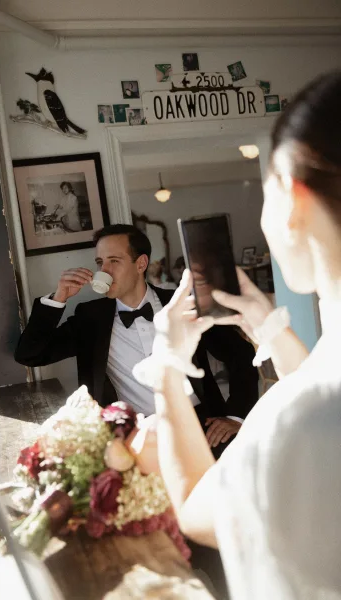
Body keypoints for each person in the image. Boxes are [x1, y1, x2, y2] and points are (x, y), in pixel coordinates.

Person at [144, 71, 341, 599]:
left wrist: (167, 363)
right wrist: (269, 324)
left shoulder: (301, 421)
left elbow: (196, 507)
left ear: (293, 202)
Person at [15, 224, 259, 455]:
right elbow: (31, 354)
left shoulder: (181, 303)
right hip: (133, 438)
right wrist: (59, 298)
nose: (104, 271)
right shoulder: (90, 318)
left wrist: (236, 416)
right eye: (100, 262)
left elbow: (241, 354)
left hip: (201, 425)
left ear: (141, 263)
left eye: (114, 261)